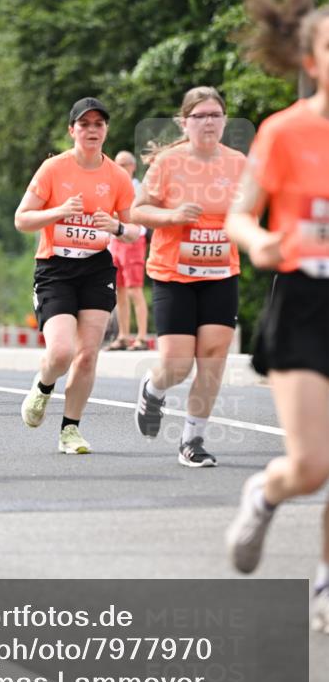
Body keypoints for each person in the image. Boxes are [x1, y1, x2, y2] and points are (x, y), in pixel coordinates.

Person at [223, 0, 329, 633]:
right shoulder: (284, 132)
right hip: (303, 301)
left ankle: (323, 584)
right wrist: (258, 240)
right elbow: (239, 214)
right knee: (312, 464)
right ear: (310, 60)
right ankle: (264, 494)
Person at [14, 97, 139, 453]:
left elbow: (135, 229)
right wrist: (57, 212)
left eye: (98, 124)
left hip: (96, 267)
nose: (92, 130)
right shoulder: (53, 169)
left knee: (87, 354)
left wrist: (116, 226)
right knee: (61, 352)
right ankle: (43, 385)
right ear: (72, 130)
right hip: (55, 267)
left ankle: (70, 429)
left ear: (106, 131)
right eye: (84, 124)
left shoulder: (116, 175)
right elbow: (21, 219)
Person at [130, 87, 246, 467]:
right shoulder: (167, 163)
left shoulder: (238, 164)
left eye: (215, 115)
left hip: (221, 271)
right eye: (200, 116)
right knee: (177, 365)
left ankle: (192, 440)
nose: (208, 122)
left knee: (213, 357)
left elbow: (251, 213)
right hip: (173, 273)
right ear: (185, 122)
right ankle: (154, 388)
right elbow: (138, 211)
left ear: (225, 120)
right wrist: (173, 216)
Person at [106, 150, 149, 351]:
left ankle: (141, 337)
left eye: (124, 164)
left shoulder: (139, 189)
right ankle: (123, 335)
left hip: (133, 241)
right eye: (117, 164)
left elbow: (135, 215)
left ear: (132, 167)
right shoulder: (111, 188)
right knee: (119, 290)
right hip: (115, 241)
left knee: (134, 290)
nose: (120, 168)